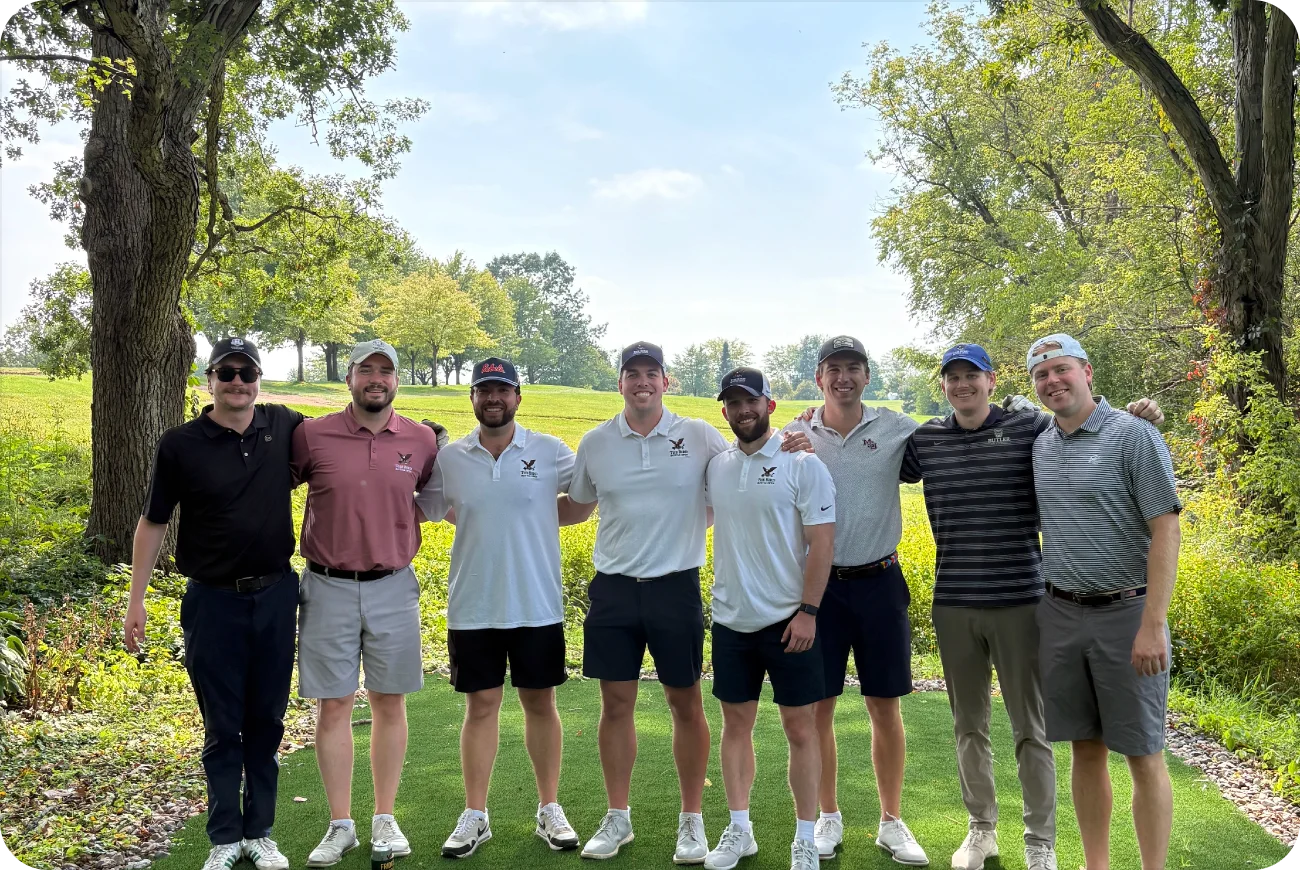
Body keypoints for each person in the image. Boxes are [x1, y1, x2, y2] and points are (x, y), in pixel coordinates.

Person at [903, 343, 1163, 870]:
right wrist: (811, 429)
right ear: (944, 386)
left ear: (992, 380)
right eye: (952, 378)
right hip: (954, 601)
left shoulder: (1030, 429)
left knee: (1033, 727)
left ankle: (1039, 842)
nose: (963, 385)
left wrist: (1138, 415)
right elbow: (871, 455)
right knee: (968, 725)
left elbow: (1084, 422)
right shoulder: (926, 439)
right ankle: (981, 831)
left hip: (1025, 600)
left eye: (972, 376)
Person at [124, 337, 301, 870]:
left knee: (268, 719)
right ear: (209, 380)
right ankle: (225, 835)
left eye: (247, 373)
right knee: (223, 722)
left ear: (259, 380)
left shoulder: (284, 424)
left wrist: (426, 435)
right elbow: (153, 521)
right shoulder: (180, 444)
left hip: (275, 595)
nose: (238, 382)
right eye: (227, 373)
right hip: (212, 603)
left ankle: (261, 832)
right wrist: (136, 600)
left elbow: (350, 430)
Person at [415, 357, 588, 858]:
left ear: (518, 396)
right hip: (473, 605)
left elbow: (585, 497)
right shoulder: (451, 460)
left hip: (537, 604)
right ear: (472, 397)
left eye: (503, 389)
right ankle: (475, 815)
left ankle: (549, 808)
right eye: (484, 389)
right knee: (481, 707)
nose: (494, 398)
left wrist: (541, 515)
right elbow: (427, 509)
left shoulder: (550, 451)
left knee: (541, 705)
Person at [566, 341, 729, 863]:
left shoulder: (699, 435)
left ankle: (692, 821)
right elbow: (578, 506)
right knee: (615, 706)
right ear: (620, 383)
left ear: (666, 381)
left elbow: (740, 480)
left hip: (675, 588)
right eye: (632, 373)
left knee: (686, 704)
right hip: (613, 590)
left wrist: (796, 443)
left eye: (651, 373)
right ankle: (618, 819)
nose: (642, 382)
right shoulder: (595, 442)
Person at [1027, 334, 1180, 870]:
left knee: (1143, 754)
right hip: (1060, 615)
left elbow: (1166, 529)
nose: (1053, 382)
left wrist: (1152, 623)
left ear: (1087, 371)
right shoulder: (1040, 441)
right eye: (1042, 375)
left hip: (1127, 615)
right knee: (1083, 750)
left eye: (1062, 369)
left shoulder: (1134, 434)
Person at [779, 335, 930, 866]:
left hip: (880, 581)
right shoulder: (794, 433)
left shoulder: (897, 427)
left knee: (883, 706)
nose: (843, 377)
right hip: (817, 589)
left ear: (867, 376)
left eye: (854, 368)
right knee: (819, 707)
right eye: (833, 369)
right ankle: (828, 815)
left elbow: (968, 427)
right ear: (818, 378)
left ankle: (891, 820)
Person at [293, 339, 440, 867]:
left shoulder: (422, 440)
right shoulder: (312, 435)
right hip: (326, 584)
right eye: (365, 370)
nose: (375, 378)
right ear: (350, 378)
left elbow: (435, 496)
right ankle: (340, 825)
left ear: (397, 380)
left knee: (388, 702)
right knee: (332, 705)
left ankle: (384, 819)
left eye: (386, 371)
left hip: (394, 586)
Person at [701, 367, 836, 870]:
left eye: (751, 402)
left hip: (789, 622)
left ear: (769, 405)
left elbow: (822, 543)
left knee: (800, 731)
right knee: (735, 727)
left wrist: (808, 612)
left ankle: (805, 837)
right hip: (732, 620)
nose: (743, 411)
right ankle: (740, 831)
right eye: (734, 404)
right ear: (725, 411)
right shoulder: (717, 465)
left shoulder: (803, 463)